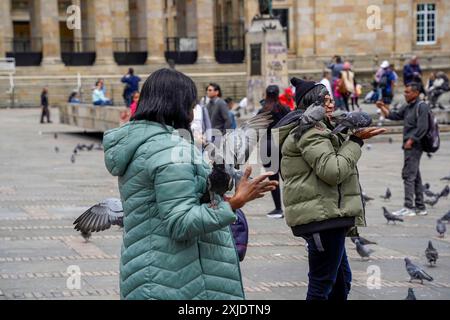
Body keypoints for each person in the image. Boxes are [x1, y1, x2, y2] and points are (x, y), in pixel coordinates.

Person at [102, 68, 278, 300]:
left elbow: (165, 205)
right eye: (191, 103)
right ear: (177, 104)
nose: (194, 110)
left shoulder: (142, 145)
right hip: (179, 280)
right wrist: (235, 202)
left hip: (153, 272)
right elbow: (180, 223)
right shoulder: (170, 150)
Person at [277, 77, 386, 300]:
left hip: (326, 215)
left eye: (330, 99)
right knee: (322, 286)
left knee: (340, 283)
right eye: (325, 101)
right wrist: (355, 142)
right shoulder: (310, 131)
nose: (331, 104)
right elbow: (333, 171)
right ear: (312, 104)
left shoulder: (319, 128)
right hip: (322, 218)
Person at [376, 82, 429, 217]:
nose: (405, 94)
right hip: (409, 145)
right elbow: (393, 116)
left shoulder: (421, 106)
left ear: (416, 93)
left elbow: (423, 127)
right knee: (415, 175)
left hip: (415, 146)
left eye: (408, 92)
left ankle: (408, 206)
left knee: (408, 175)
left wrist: (411, 140)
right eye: (405, 92)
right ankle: (420, 207)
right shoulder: (408, 106)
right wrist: (382, 107)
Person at [258, 85, 290, 219]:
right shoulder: (284, 109)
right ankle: (291, 207)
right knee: (288, 178)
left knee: (273, 179)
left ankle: (278, 208)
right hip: (281, 144)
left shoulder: (262, 110)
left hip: (267, 145)